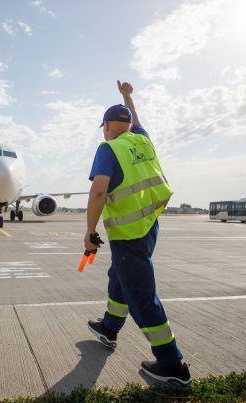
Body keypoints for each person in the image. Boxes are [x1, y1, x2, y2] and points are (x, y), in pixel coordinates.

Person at [84, 80, 191, 386]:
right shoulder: (142, 140)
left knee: (141, 295)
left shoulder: (108, 149)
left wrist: (89, 232)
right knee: (119, 275)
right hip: (149, 225)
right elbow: (137, 120)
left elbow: (98, 192)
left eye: (103, 126)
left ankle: (172, 365)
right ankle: (109, 326)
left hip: (128, 233)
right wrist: (128, 98)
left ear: (106, 126)